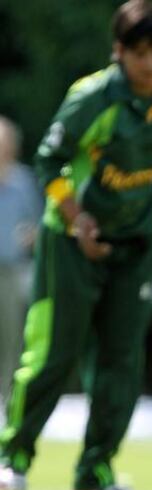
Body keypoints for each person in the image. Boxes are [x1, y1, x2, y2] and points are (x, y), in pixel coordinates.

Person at [0, 0, 152, 490]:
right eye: (139, 52)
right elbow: (50, 160)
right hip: (71, 243)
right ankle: (13, 457)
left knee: (121, 360)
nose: (150, 63)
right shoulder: (93, 98)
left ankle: (93, 473)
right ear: (118, 51)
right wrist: (78, 221)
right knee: (55, 352)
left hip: (137, 242)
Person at [0, 117, 42, 407]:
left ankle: (7, 398)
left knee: (11, 336)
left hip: (10, 269)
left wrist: (31, 237)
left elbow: (40, 226)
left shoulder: (24, 182)